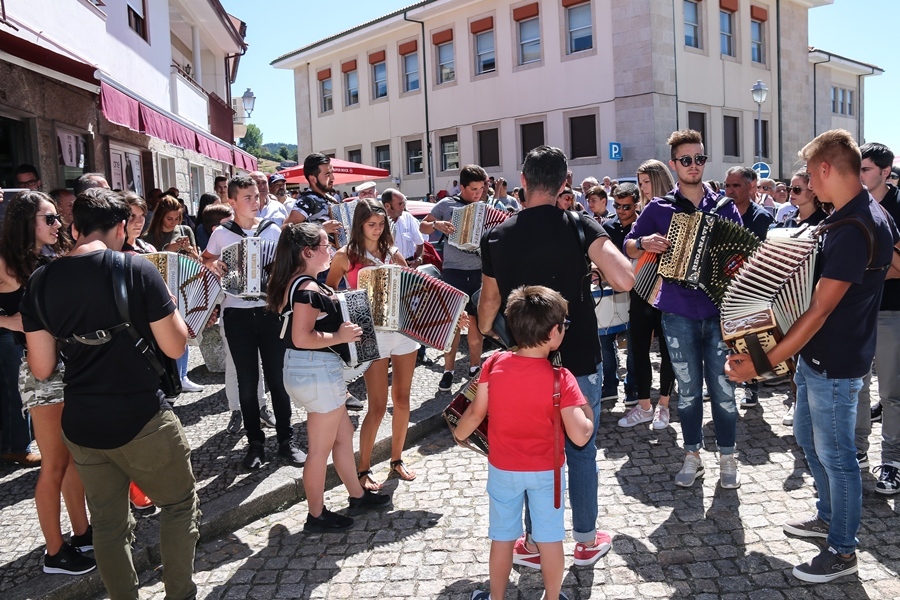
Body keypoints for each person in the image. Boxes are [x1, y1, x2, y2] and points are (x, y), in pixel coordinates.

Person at [727, 130, 898, 582]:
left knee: (838, 457)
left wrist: (760, 364)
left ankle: (843, 551)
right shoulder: (858, 215)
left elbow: (820, 310)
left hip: (837, 363)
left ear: (826, 168)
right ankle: (828, 519)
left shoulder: (854, 226)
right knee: (809, 440)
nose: (806, 184)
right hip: (818, 360)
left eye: (810, 176)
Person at [20, 188, 199, 598]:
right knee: (177, 505)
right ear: (121, 227)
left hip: (82, 423)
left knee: (107, 525)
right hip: (142, 418)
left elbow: (43, 367)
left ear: (75, 227)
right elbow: (175, 348)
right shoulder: (137, 270)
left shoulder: (41, 281)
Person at [478, 146, 633, 569]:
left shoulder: (496, 235)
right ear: (565, 183)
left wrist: (492, 333)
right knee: (582, 448)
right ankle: (584, 540)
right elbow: (623, 277)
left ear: (523, 182)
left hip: (525, 358)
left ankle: (531, 541)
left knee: (532, 451)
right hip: (577, 355)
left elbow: (488, 304)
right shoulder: (579, 224)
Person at [457, 285, 593, 600]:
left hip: (503, 468)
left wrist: (459, 434)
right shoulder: (561, 378)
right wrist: (584, 407)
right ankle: (552, 596)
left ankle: (497, 597)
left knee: (502, 538)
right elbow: (580, 434)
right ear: (555, 332)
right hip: (547, 472)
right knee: (549, 539)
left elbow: (476, 413)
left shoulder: (494, 364)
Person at [624, 129, 743, 489]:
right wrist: (644, 242)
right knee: (688, 392)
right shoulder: (659, 209)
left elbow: (741, 254)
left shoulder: (724, 207)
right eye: (687, 160)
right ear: (674, 165)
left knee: (723, 391)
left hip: (717, 312)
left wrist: (735, 261)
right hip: (676, 313)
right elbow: (628, 245)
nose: (694, 166)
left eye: (700, 159)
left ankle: (727, 456)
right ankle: (692, 455)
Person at [268, 222, 391, 532]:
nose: (332, 250)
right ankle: (316, 515)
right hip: (315, 371)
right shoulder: (307, 289)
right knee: (319, 450)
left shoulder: (295, 282)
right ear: (308, 252)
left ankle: (357, 495)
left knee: (344, 433)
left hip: (308, 370)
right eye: (326, 245)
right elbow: (303, 337)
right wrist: (339, 335)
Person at [0, 191, 94, 576]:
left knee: (71, 457)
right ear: (28, 223)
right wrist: (9, 323)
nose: (59, 224)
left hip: (66, 366)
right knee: (54, 463)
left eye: (58, 218)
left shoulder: (49, 256)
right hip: (41, 372)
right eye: (50, 218)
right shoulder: (6, 262)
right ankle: (54, 553)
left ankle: (82, 532)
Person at [202, 176, 305, 469]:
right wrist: (212, 264)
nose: (255, 201)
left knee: (278, 378)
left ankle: (287, 440)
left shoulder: (272, 230)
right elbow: (205, 258)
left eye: (256, 196)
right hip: (236, 313)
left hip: (269, 311)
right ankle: (255, 444)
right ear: (231, 202)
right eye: (247, 197)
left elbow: (288, 265)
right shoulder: (222, 233)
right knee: (248, 382)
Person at [326, 199, 419, 490]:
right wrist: (350, 308)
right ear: (360, 225)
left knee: (402, 400)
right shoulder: (345, 255)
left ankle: (396, 459)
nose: (377, 230)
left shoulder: (393, 252)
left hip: (402, 332)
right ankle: (363, 468)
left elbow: (411, 286)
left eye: (381, 224)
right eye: (371, 225)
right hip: (371, 336)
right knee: (377, 406)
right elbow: (328, 292)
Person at [610, 183, 675, 429]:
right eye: (639, 181)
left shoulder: (672, 207)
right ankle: (644, 405)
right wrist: (641, 243)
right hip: (642, 287)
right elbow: (628, 246)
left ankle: (665, 407)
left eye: (646, 181)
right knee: (638, 347)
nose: (642, 187)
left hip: (670, 289)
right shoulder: (647, 215)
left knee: (669, 350)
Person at [420, 164, 490, 392]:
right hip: (453, 272)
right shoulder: (446, 204)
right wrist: (436, 224)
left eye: (481, 189)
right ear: (462, 187)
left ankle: (474, 368)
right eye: (473, 189)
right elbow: (423, 226)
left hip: (478, 272)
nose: (478, 193)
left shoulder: (484, 207)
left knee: (476, 327)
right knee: (452, 326)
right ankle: (448, 371)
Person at [858, 142, 900, 496]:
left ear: (885, 172)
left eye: (865, 169)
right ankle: (856, 454)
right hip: (856, 310)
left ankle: (892, 462)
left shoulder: (899, 206)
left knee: (889, 392)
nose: (858, 176)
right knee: (855, 388)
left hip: (891, 310)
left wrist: (864, 270)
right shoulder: (853, 204)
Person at [722, 166, 773, 409]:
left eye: (736, 186)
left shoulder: (762, 218)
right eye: (727, 186)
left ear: (749, 187)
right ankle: (726, 382)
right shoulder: (719, 213)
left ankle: (751, 387)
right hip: (723, 287)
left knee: (750, 340)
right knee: (726, 340)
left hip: (752, 289)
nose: (730, 191)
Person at [141, 195, 203, 393]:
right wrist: (169, 249)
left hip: (183, 285)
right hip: (161, 288)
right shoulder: (149, 237)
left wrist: (189, 250)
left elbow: (197, 259)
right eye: (170, 219)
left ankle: (182, 375)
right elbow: (150, 260)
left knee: (183, 329)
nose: (175, 223)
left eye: (178, 218)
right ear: (160, 217)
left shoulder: (185, 230)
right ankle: (169, 375)